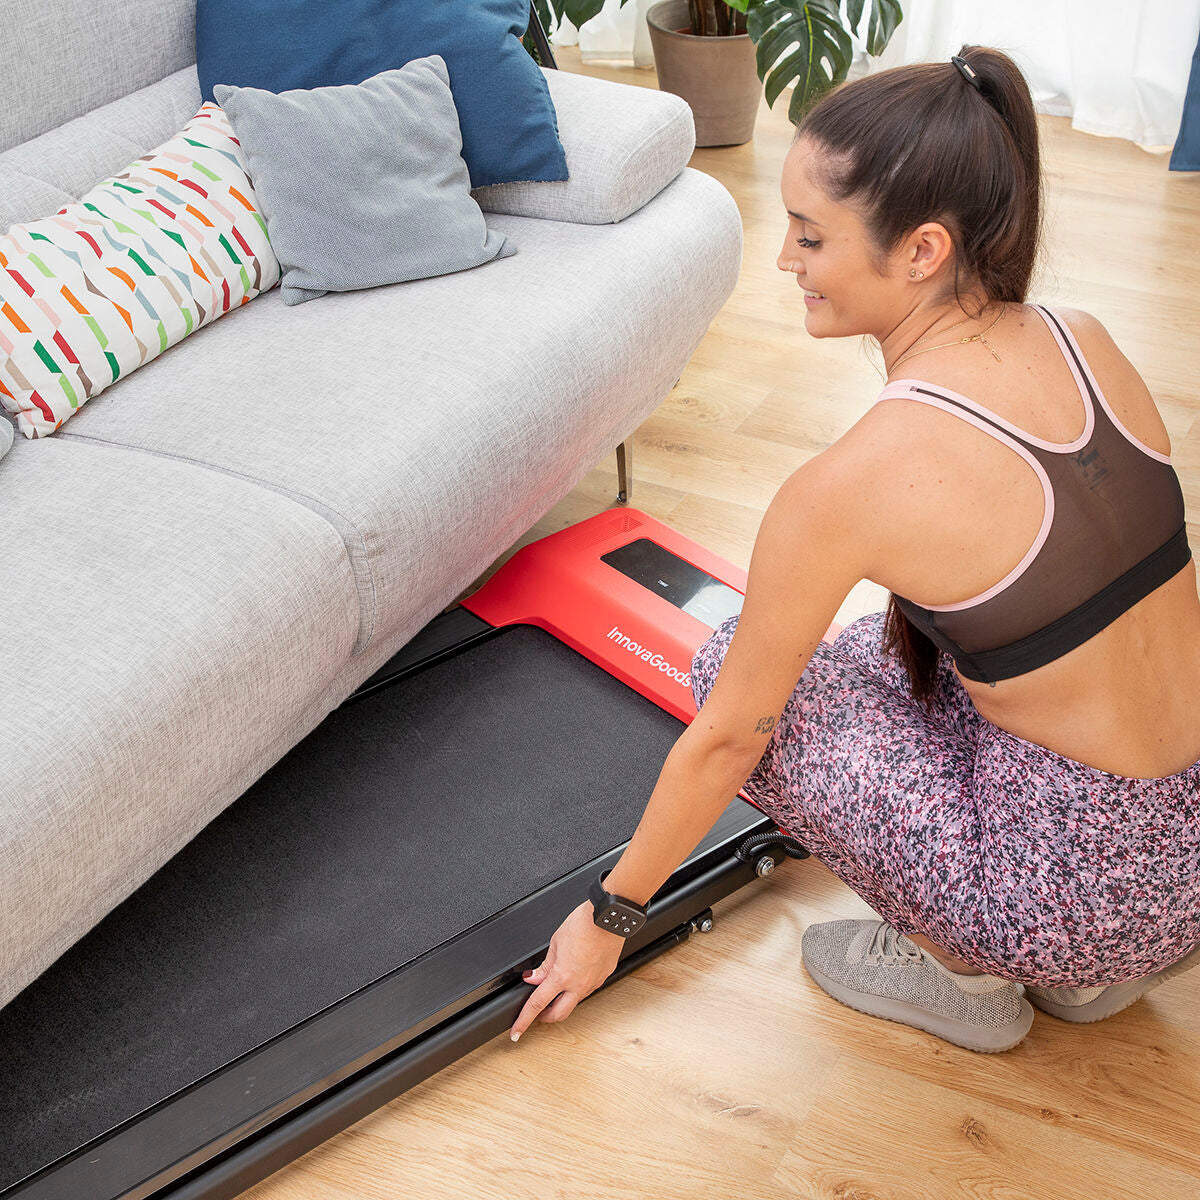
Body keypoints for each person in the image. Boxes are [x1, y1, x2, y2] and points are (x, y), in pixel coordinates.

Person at [509, 45, 1200, 1053]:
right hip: (1186, 850)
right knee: (911, 632)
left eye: (810, 235)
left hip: (1068, 906)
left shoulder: (855, 485)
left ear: (922, 250)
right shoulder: (1084, 338)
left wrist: (609, 919)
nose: (787, 258)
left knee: (733, 669)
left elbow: (731, 738)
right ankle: (1100, 976)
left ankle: (967, 976)